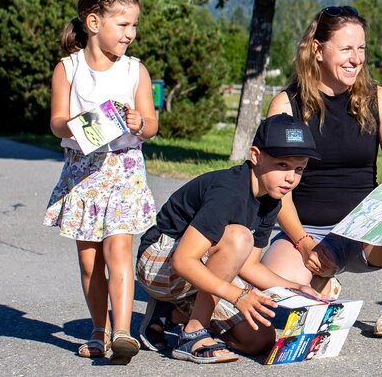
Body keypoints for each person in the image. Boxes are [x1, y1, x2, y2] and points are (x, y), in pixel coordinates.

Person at [260, 5, 382, 339]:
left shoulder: (378, 98)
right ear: (318, 50)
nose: (356, 59)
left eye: (361, 49)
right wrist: (303, 243)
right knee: (274, 318)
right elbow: (274, 188)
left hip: (364, 233)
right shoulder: (286, 105)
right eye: (346, 49)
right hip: (306, 234)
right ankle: (323, 285)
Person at [135, 113, 320, 364]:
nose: (291, 177)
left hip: (200, 266)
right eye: (283, 165)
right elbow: (183, 261)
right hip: (160, 263)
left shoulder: (272, 199)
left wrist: (294, 288)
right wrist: (236, 295)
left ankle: (174, 313)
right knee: (239, 237)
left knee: (259, 340)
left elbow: (250, 265)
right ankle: (192, 333)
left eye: (299, 169)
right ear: (255, 156)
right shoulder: (229, 192)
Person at [44, 0, 158, 365]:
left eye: (134, 26)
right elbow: (56, 122)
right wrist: (74, 124)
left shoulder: (134, 70)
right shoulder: (69, 68)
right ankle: (98, 330)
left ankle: (123, 332)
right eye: (123, 25)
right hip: (83, 171)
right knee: (89, 261)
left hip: (124, 168)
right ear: (93, 22)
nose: (131, 34)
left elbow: (152, 124)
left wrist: (140, 121)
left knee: (118, 248)